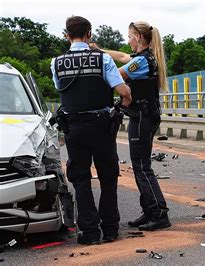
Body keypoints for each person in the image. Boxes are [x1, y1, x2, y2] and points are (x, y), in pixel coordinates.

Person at [50, 16, 132, 245]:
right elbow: (122, 90)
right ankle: (111, 229)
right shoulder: (103, 59)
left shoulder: (57, 62)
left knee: (80, 178)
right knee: (108, 177)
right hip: (102, 126)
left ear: (67, 35)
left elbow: (60, 87)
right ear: (89, 35)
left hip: (74, 128)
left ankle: (89, 231)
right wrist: (127, 97)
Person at [90, 21, 171, 231]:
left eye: (129, 37)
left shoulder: (142, 62)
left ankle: (159, 213)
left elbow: (118, 74)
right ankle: (150, 211)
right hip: (144, 115)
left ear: (139, 38)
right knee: (141, 165)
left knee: (142, 167)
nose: (128, 41)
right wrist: (101, 51)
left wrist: (99, 61)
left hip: (143, 116)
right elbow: (124, 57)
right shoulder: (144, 58)